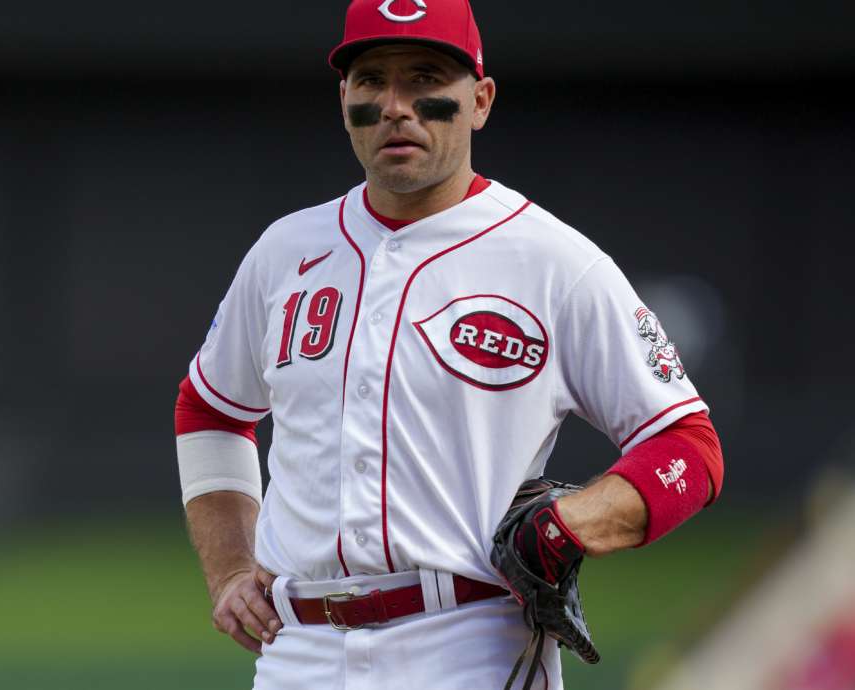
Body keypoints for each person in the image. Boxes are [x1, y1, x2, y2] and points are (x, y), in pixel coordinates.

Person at [173, 1, 724, 688]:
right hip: (299, 652)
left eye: (424, 77)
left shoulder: (553, 262)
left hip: (470, 644)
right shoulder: (286, 251)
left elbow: (689, 451)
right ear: (345, 99)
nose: (396, 105)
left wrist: (579, 520)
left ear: (480, 100)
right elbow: (210, 407)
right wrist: (229, 567)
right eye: (372, 81)